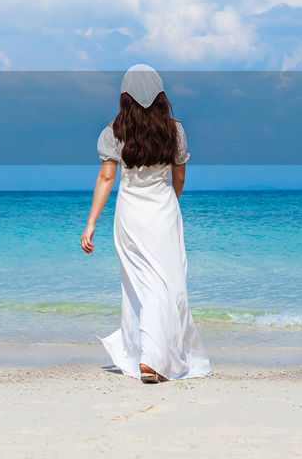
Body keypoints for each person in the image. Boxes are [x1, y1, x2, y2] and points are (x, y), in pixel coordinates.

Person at [80, 64, 213, 383]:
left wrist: (91, 223)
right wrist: (168, 201)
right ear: (161, 96)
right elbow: (179, 177)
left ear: (124, 97)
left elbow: (106, 177)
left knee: (141, 284)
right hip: (164, 211)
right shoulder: (175, 130)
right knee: (168, 283)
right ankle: (153, 360)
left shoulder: (113, 132)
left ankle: (148, 356)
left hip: (130, 214)